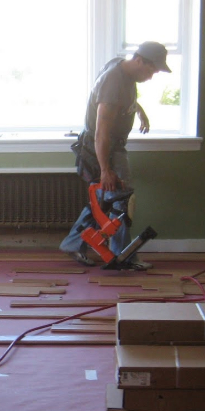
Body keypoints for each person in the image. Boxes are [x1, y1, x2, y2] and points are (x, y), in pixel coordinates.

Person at [59, 41, 171, 270]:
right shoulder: (113, 79)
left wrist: (138, 110)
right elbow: (101, 132)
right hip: (103, 147)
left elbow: (119, 99)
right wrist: (105, 170)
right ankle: (123, 255)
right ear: (139, 61)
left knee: (103, 200)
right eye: (151, 70)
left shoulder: (122, 69)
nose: (151, 77)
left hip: (111, 146)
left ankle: (73, 243)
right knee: (121, 199)